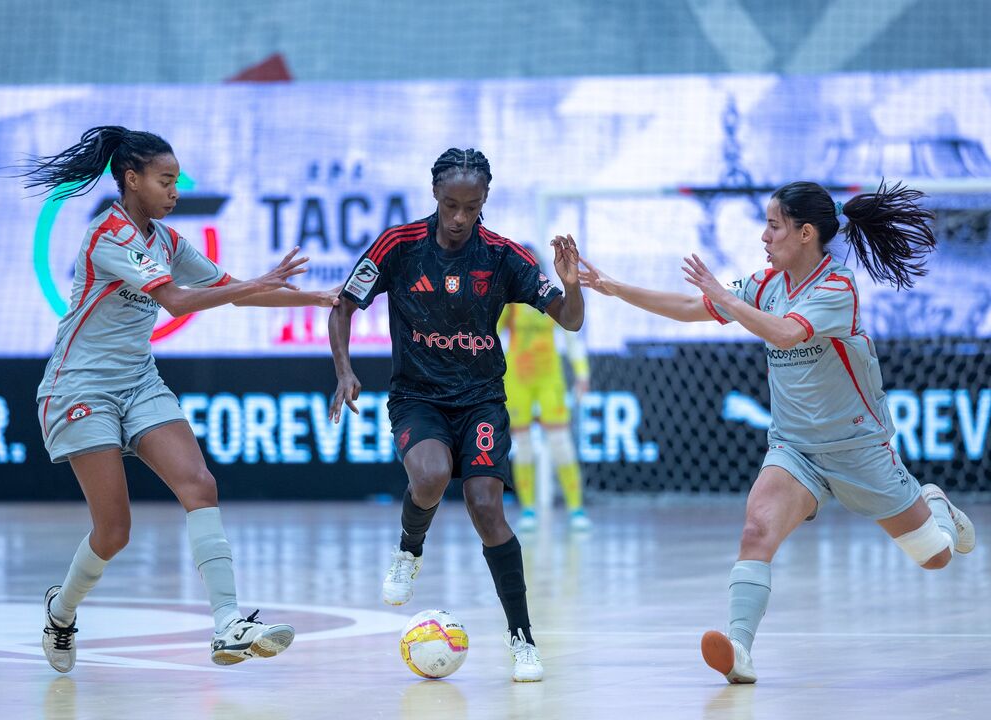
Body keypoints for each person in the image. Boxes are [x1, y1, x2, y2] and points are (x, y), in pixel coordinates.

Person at [577, 180, 975, 684]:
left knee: (935, 557)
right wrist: (612, 286)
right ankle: (739, 650)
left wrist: (724, 296)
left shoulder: (837, 288)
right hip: (795, 450)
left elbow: (785, 331)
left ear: (805, 233)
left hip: (859, 451)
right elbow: (689, 307)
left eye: (773, 225)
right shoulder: (765, 285)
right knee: (755, 531)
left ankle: (935, 504)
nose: (764, 236)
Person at [21, 125, 338, 673]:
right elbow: (177, 302)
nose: (174, 192)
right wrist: (256, 282)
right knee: (114, 532)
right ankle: (61, 612)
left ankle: (227, 624)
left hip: (139, 380)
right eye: (165, 181)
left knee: (200, 484)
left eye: (175, 182)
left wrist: (317, 298)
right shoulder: (110, 236)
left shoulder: (167, 240)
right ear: (131, 179)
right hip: (79, 387)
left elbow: (235, 291)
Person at [327, 148, 585, 682]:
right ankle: (409, 548)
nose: (461, 217)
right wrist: (344, 370)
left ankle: (522, 639)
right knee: (431, 475)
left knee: (486, 506)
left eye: (472, 205)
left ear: (485, 200)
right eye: (451, 205)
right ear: (436, 197)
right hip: (417, 397)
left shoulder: (503, 256)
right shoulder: (398, 246)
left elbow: (570, 321)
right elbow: (343, 305)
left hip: (482, 399)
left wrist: (573, 285)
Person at [498, 256, 592, 532]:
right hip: (518, 381)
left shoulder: (548, 295)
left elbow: (571, 336)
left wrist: (582, 373)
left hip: (550, 379)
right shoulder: (508, 301)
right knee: (523, 446)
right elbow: (489, 335)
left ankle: (576, 509)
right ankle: (528, 510)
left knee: (561, 444)